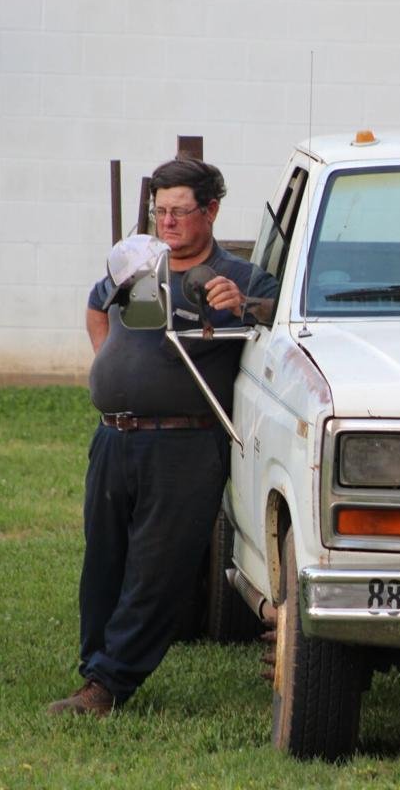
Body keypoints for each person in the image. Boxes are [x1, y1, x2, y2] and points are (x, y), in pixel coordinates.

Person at [49, 157, 278, 717]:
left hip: (184, 443)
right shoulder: (138, 265)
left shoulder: (241, 277)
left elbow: (281, 318)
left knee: (158, 567)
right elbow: (94, 305)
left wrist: (242, 307)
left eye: (179, 211)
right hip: (113, 437)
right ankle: (94, 666)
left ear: (212, 211)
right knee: (104, 558)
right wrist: (110, 363)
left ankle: (109, 684)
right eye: (160, 211)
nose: (168, 222)